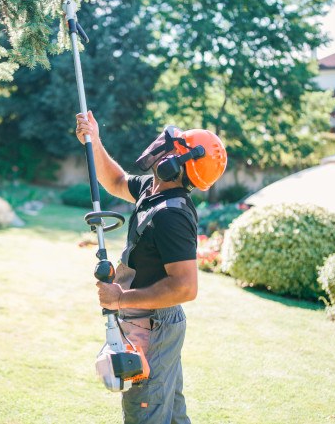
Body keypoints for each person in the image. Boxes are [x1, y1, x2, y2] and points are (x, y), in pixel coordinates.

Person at [75, 110, 227, 424]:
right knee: (168, 412)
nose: (164, 149)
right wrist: (95, 141)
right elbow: (116, 181)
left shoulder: (172, 214)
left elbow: (185, 287)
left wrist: (120, 300)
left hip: (154, 324)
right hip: (147, 319)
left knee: (146, 411)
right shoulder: (151, 190)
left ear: (179, 164)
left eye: (175, 149)